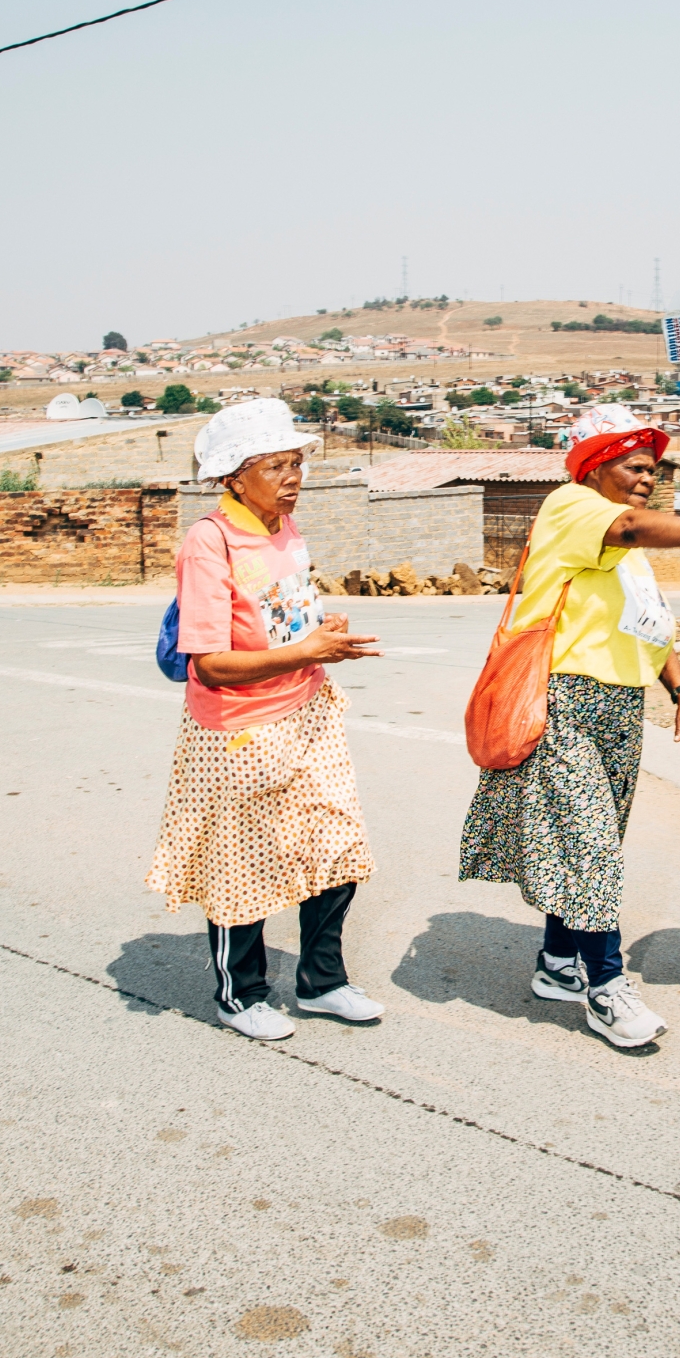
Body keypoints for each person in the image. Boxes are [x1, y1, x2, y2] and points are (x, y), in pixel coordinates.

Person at [459, 405, 680, 1050]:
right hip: (563, 697)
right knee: (590, 840)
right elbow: (629, 524)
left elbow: (646, 624)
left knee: (593, 841)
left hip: (620, 705)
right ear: (596, 467)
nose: (648, 479)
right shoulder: (573, 507)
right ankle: (605, 985)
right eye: (635, 466)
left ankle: (556, 961)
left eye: (654, 470)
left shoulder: (628, 553)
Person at [147, 398, 383, 1041]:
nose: (292, 476)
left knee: (335, 847)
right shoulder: (209, 541)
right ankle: (241, 993)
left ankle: (322, 982)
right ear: (233, 477)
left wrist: (318, 633)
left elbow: (284, 615)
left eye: (296, 462)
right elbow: (211, 666)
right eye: (275, 466)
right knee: (239, 864)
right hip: (237, 728)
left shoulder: (286, 528)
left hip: (308, 710)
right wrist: (306, 650)